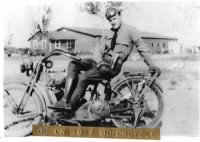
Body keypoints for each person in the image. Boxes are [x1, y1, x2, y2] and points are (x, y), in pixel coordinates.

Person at [49, 7, 160, 112]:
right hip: (100, 63)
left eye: (114, 18)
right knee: (73, 64)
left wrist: (151, 64)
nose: (113, 21)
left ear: (120, 15)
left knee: (84, 77)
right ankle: (65, 100)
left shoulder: (131, 31)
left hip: (112, 67)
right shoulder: (107, 33)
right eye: (110, 20)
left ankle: (71, 105)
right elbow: (98, 50)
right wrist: (99, 62)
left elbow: (142, 48)